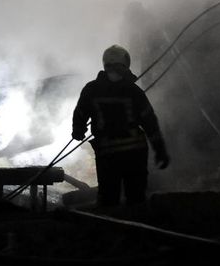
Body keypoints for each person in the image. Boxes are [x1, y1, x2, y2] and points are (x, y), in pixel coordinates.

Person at [71, 44, 169, 206]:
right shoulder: (134, 91)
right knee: (136, 198)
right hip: (134, 154)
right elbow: (150, 123)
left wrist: (78, 131)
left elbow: (80, 113)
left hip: (107, 154)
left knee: (108, 199)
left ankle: (110, 221)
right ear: (125, 64)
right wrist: (160, 150)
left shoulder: (91, 89)